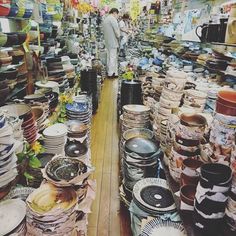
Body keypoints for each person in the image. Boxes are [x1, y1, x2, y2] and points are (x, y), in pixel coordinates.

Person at [102, 8, 120, 78]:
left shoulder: (106, 19)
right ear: (115, 12)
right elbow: (117, 31)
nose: (117, 16)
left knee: (110, 57)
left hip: (107, 41)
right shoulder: (112, 19)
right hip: (113, 41)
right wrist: (119, 36)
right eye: (117, 14)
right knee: (113, 57)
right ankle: (111, 73)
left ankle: (114, 72)